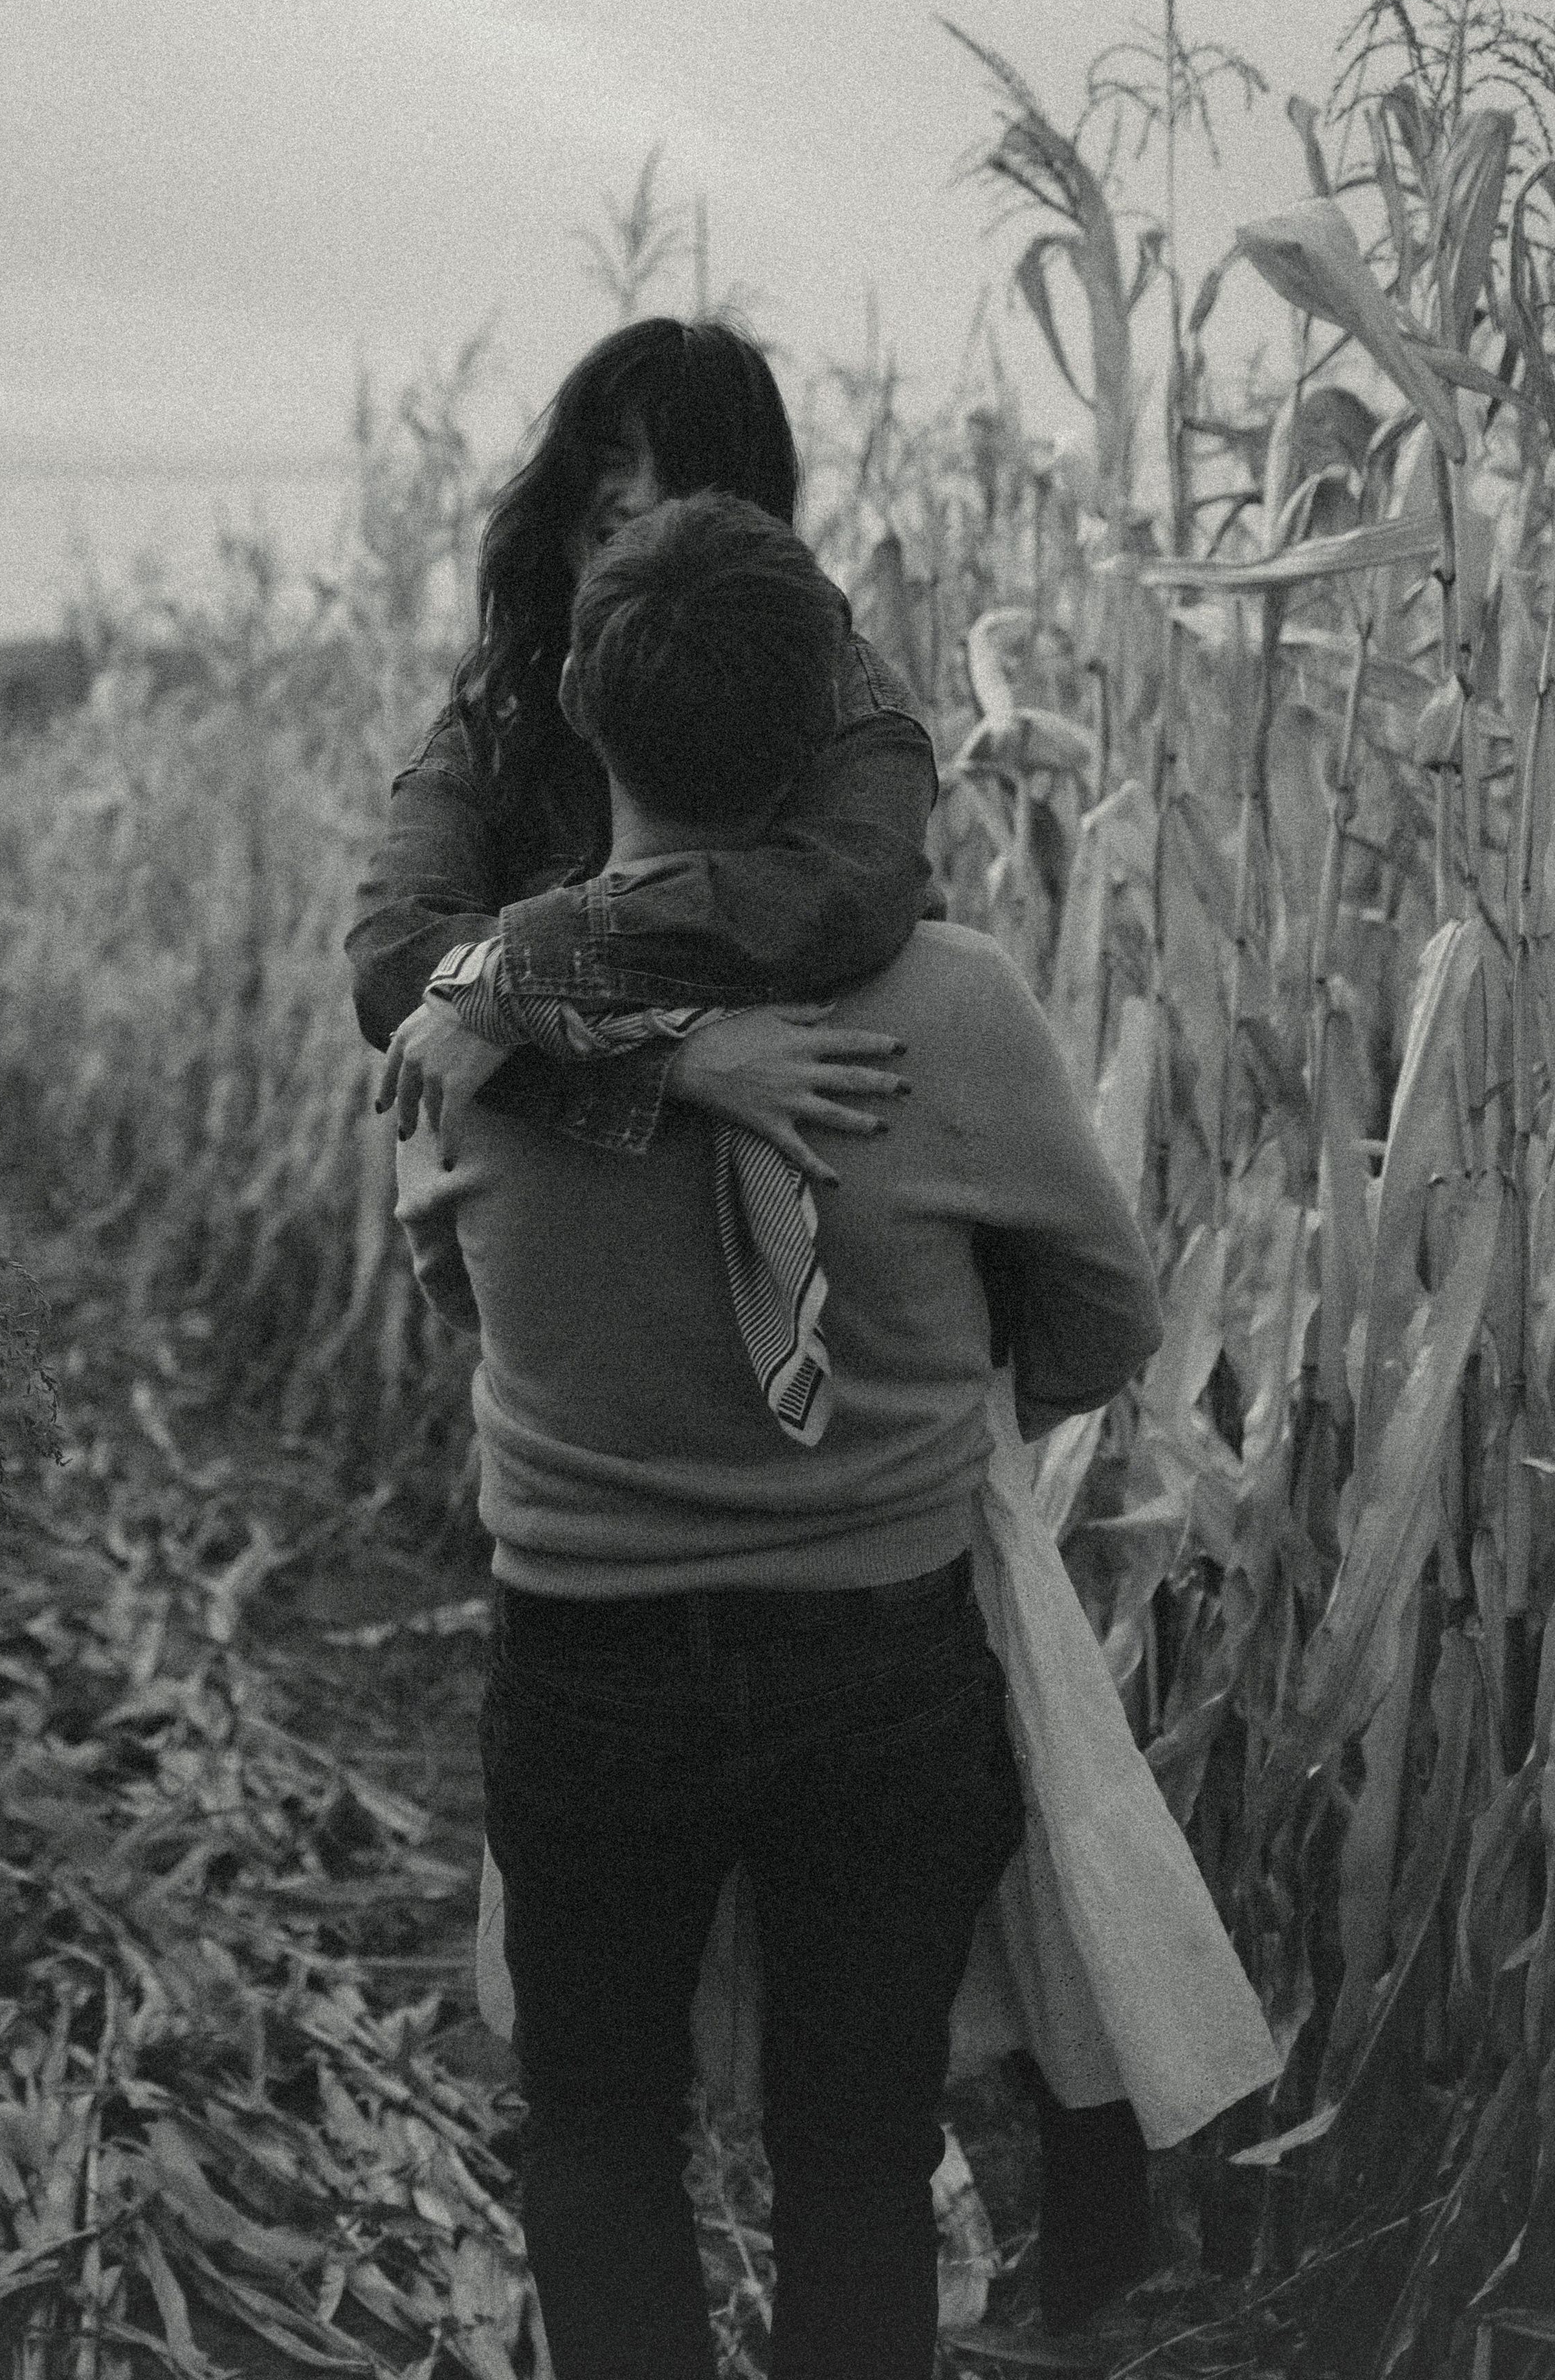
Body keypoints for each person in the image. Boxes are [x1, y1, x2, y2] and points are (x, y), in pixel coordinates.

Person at [392, 493, 1175, 2380]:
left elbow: (452, 1293)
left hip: (586, 1672)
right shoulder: (956, 1004)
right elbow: (1105, 1316)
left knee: (595, 2138)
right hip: (883, 1671)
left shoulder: (469, 1031)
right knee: (852, 2154)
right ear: (831, 727)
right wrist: (923, 1407)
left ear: (586, 716)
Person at [345, 313, 940, 1187]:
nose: (631, 495)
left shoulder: (845, 690)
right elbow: (397, 959)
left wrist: (512, 979)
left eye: (676, 466)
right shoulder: (505, 697)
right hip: (568, 1231)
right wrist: (673, 1071)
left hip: (834, 1200)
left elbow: (841, 898)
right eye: (611, 457)